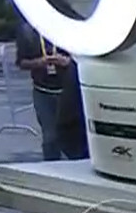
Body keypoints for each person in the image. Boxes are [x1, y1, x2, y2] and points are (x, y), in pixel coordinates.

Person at [13, 22, 84, 161]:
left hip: (68, 92)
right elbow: (21, 62)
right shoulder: (27, 30)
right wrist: (39, 62)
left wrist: (67, 62)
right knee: (50, 137)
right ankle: (52, 166)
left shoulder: (67, 26)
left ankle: (76, 163)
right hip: (43, 91)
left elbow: (84, 55)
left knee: (73, 134)